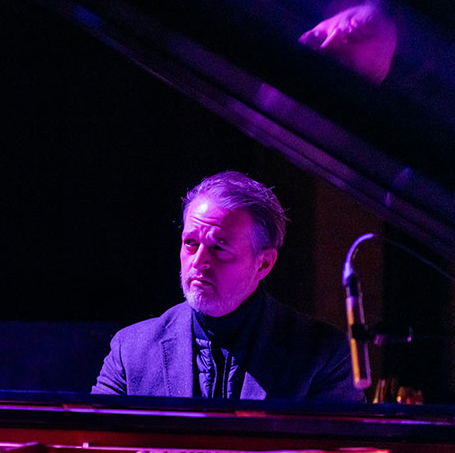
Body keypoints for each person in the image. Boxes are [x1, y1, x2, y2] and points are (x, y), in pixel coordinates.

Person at [92, 171, 363, 401]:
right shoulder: (131, 349)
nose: (199, 261)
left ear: (264, 263)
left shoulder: (324, 353)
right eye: (191, 243)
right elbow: (94, 448)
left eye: (219, 248)